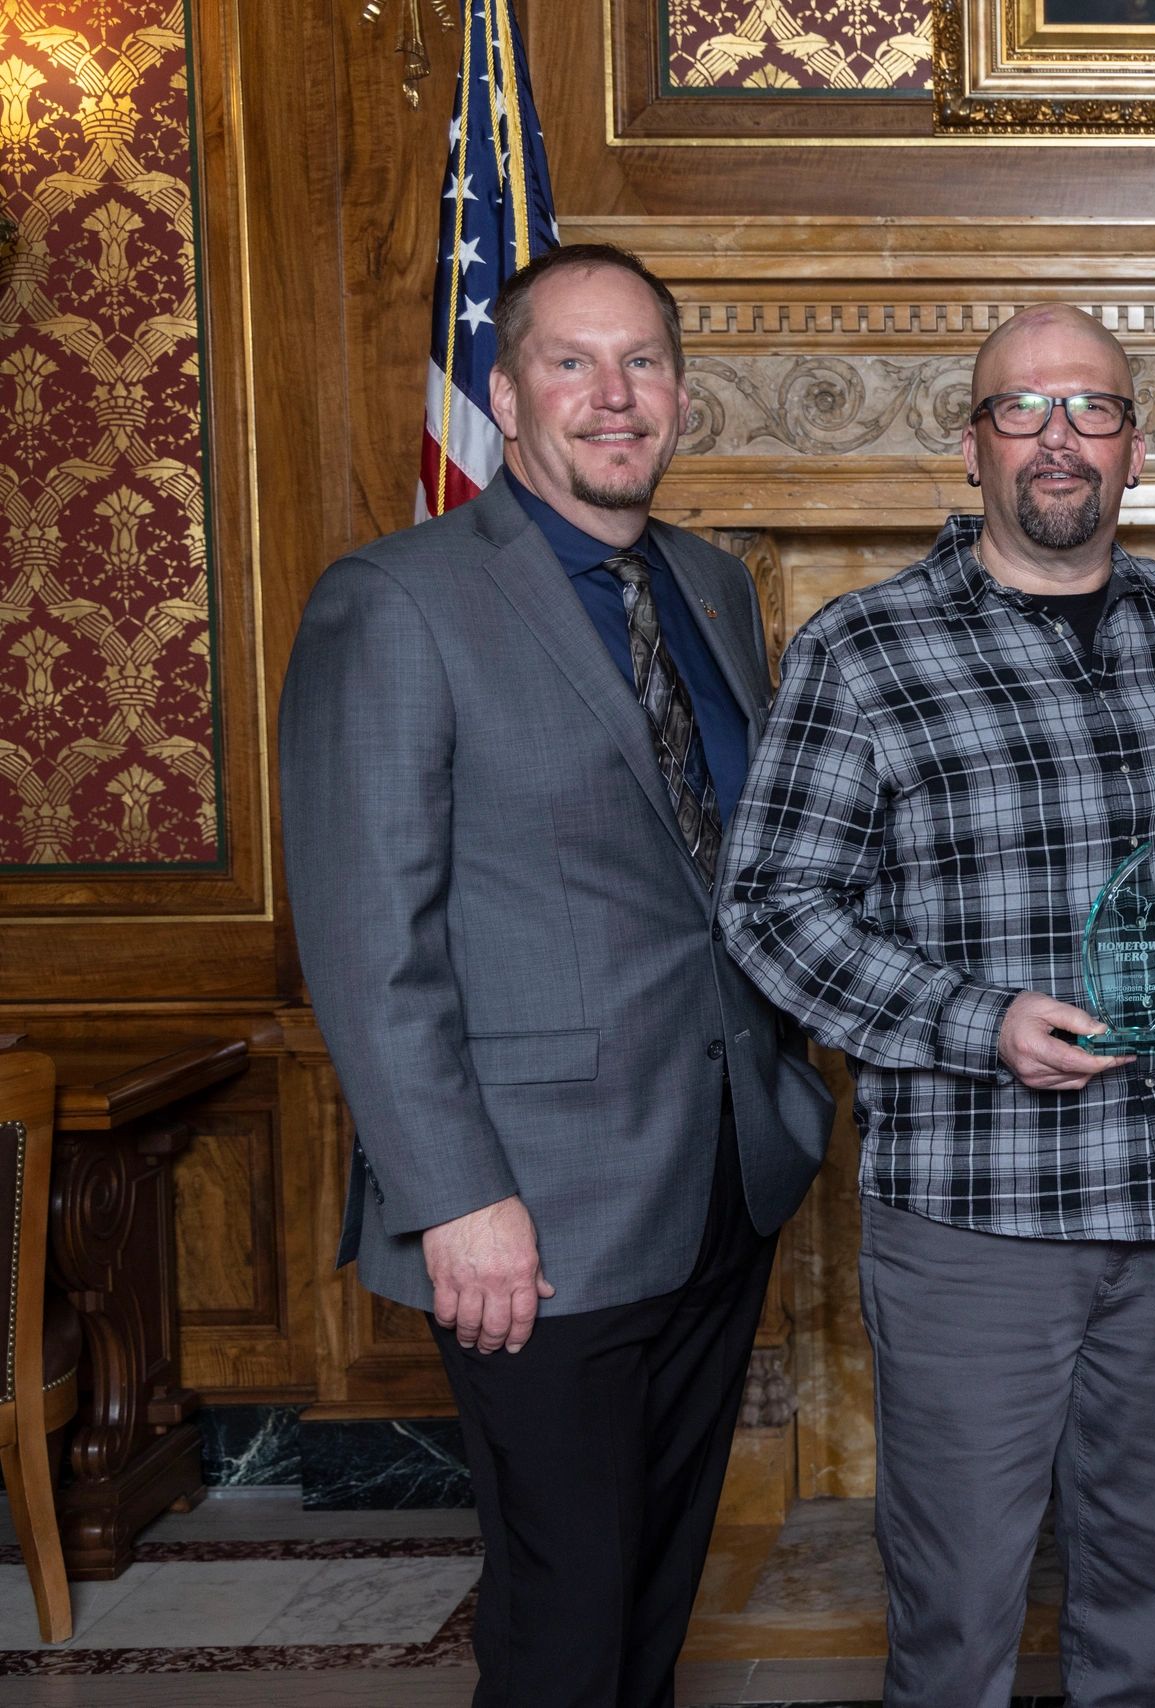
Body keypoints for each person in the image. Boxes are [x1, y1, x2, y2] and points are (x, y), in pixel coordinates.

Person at [278, 242, 837, 1708]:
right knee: (566, 1607)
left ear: (681, 394)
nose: (613, 396)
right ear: (507, 391)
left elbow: (729, 871)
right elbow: (363, 935)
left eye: (642, 361)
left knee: (654, 1591)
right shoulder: (395, 603)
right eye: (573, 363)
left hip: (723, 1175)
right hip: (533, 1209)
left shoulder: (711, 585)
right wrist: (453, 1195)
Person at [717, 304, 1155, 1708]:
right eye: (1022, 410)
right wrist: (980, 1023)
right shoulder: (864, 649)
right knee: (958, 1608)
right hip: (982, 1213)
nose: (1059, 438)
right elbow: (774, 908)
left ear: (1138, 450)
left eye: (1092, 408)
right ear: (972, 448)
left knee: (1154, 1596)